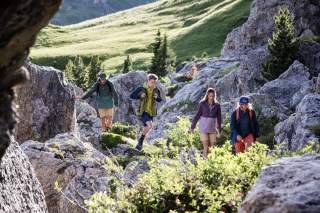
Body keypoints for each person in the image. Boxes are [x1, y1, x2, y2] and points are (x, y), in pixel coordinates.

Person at [130, 74, 162, 151]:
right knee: (150, 125)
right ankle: (140, 141)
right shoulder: (141, 88)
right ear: (147, 81)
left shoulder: (156, 90)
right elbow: (132, 96)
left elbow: (160, 99)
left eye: (155, 82)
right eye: (152, 82)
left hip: (151, 112)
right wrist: (140, 95)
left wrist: (157, 97)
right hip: (143, 111)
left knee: (146, 127)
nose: (153, 84)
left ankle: (139, 144)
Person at [190, 88, 222, 158]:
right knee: (205, 145)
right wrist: (192, 127)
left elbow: (219, 118)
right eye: (210, 96)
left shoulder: (217, 105)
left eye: (213, 96)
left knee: (213, 146)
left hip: (213, 128)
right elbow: (197, 115)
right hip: (203, 127)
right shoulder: (202, 104)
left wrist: (219, 130)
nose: (211, 97)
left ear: (214, 96)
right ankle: (204, 161)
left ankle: (212, 161)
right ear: (207, 95)